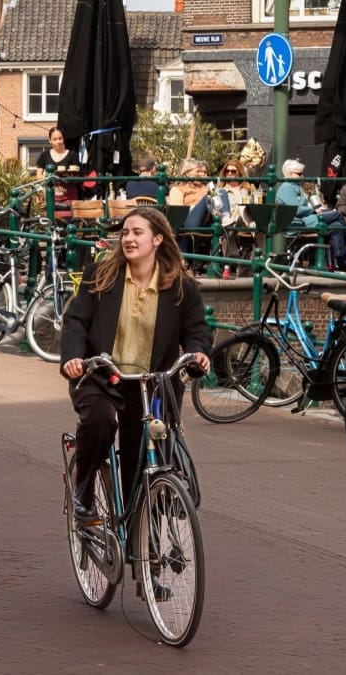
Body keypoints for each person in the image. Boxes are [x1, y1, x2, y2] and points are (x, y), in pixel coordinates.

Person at [60, 207, 211, 522]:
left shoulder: (182, 288)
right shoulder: (99, 276)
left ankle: (142, 538)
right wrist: (74, 358)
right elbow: (75, 321)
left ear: (157, 239)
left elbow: (197, 332)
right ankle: (83, 492)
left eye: (137, 232)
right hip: (103, 376)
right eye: (125, 233)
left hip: (151, 383)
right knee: (100, 422)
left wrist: (198, 354)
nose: (128, 239)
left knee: (143, 455)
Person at [276, 159, 346, 271]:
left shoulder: (295, 186)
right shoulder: (286, 188)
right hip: (299, 223)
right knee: (337, 214)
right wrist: (313, 210)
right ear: (289, 174)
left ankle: (340, 259)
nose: (302, 176)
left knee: (336, 225)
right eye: (299, 174)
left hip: (307, 220)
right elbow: (296, 210)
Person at [213, 158, 260, 273]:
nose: (229, 174)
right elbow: (216, 210)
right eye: (227, 171)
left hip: (248, 218)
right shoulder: (220, 189)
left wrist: (253, 195)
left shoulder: (249, 187)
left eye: (233, 171)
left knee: (243, 208)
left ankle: (232, 264)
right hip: (228, 219)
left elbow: (258, 204)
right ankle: (239, 261)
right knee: (234, 218)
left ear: (239, 172)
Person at [166, 158, 212, 255]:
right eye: (198, 172)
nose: (201, 175)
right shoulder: (178, 189)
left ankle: (227, 223)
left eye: (203, 172)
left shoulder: (206, 188)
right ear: (187, 173)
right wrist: (195, 207)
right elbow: (178, 213)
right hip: (188, 222)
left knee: (220, 192)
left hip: (209, 221)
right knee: (209, 196)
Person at [36, 126, 81, 209]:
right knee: (50, 220)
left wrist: (68, 176)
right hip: (50, 197)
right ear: (50, 141)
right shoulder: (44, 155)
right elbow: (38, 176)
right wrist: (48, 178)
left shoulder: (73, 155)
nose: (58, 142)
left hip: (69, 198)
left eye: (60, 138)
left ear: (64, 139)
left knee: (69, 221)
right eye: (55, 139)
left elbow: (78, 177)